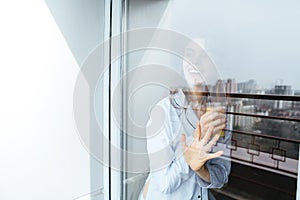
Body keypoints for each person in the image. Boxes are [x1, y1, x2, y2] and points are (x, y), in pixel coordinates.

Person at [139, 39, 231, 200]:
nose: (195, 61)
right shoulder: (162, 112)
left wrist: (201, 170)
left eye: (204, 55)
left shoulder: (219, 114)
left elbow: (221, 176)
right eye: (189, 54)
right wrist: (196, 145)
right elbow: (165, 183)